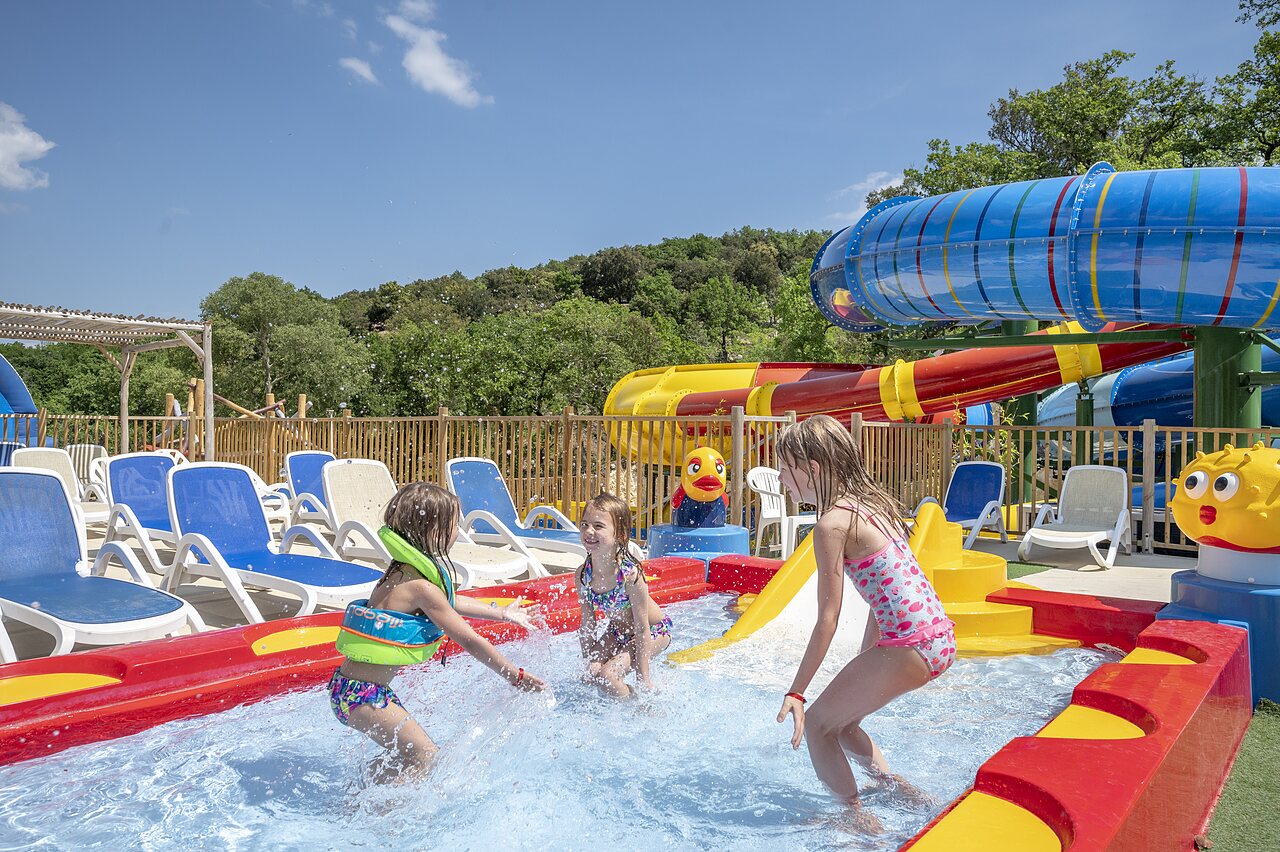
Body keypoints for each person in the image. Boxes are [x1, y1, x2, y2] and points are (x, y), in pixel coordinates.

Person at [773, 415, 954, 832]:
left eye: (785, 468)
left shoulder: (831, 525)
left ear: (812, 468)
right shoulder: (871, 507)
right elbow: (884, 594)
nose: (781, 478)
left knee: (819, 726)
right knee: (845, 723)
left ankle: (858, 822)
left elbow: (828, 618)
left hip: (910, 645)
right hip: (937, 637)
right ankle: (904, 793)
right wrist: (868, 656)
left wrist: (797, 692)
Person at [329, 482, 546, 782]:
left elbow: (448, 601)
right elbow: (469, 639)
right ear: (434, 531)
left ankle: (364, 793)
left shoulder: (400, 570)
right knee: (427, 756)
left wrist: (501, 613)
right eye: (454, 524)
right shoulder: (421, 587)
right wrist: (514, 675)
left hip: (350, 687)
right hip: (363, 694)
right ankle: (377, 810)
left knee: (409, 755)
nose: (458, 531)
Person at [574, 492, 672, 698]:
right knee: (592, 674)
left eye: (598, 526)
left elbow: (642, 628)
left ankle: (637, 706)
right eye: (584, 524)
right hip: (617, 631)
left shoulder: (629, 575)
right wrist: (589, 663)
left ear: (620, 534)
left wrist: (643, 679)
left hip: (654, 631)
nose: (589, 531)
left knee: (609, 676)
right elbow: (587, 624)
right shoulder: (583, 575)